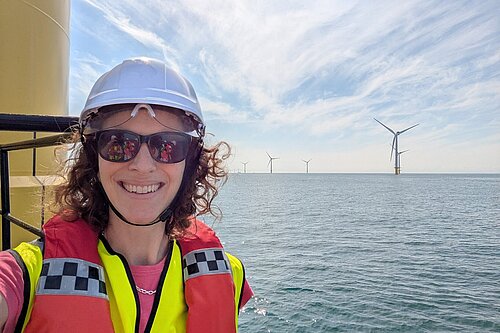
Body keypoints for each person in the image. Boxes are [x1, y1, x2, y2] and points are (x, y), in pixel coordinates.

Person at [0, 57, 253, 332]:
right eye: (118, 143)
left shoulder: (229, 274)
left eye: (167, 146)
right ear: (94, 155)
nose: (142, 166)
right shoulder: (31, 274)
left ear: (189, 161)